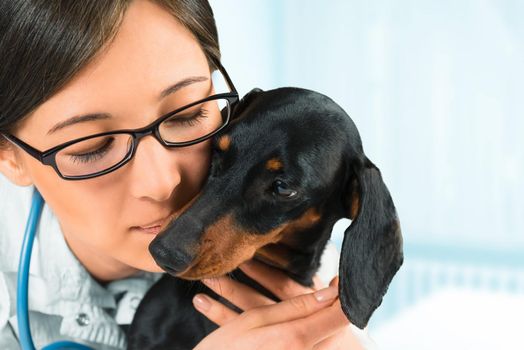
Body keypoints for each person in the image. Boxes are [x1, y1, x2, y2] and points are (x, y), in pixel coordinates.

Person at [0, 1, 374, 349]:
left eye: (187, 115)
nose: (162, 183)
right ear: (9, 155)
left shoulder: (306, 270)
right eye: (90, 147)